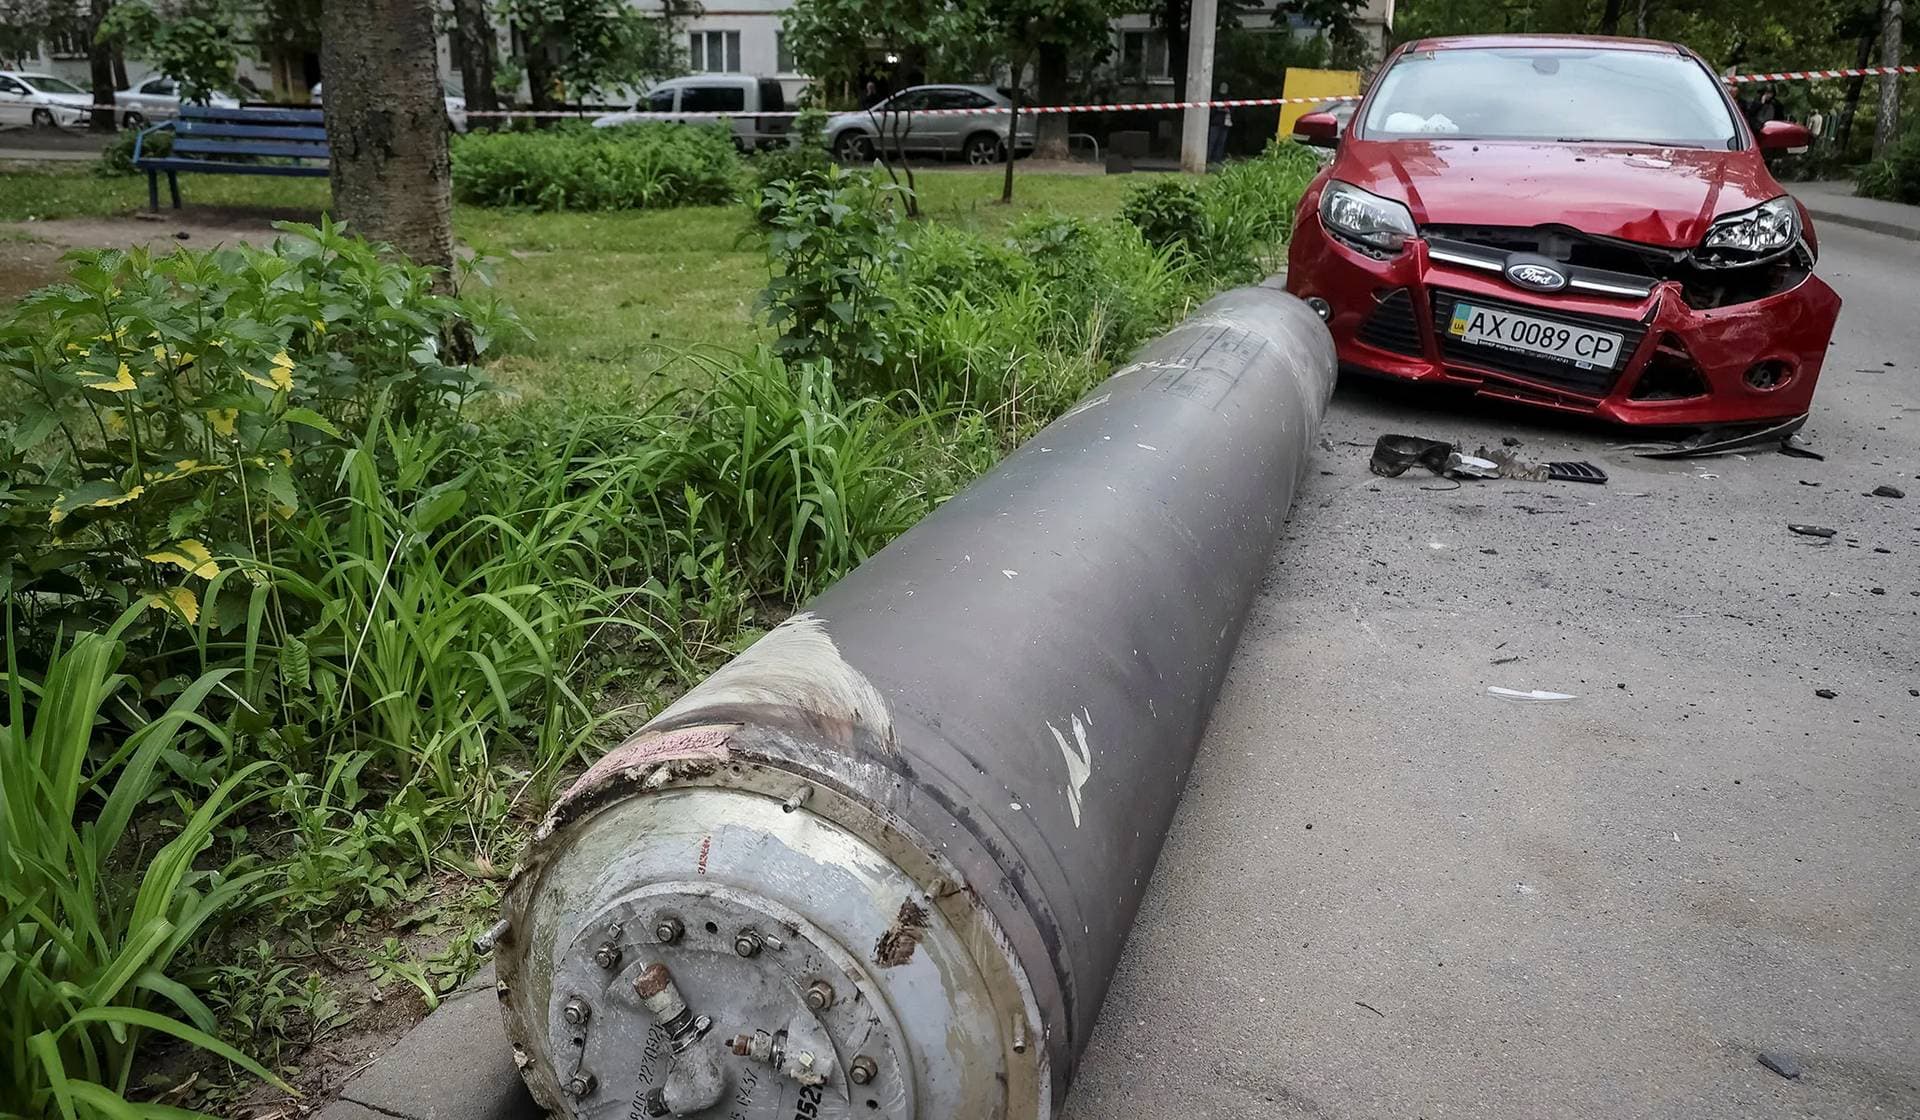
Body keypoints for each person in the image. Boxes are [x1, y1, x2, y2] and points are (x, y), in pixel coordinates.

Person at [1208, 82, 1233, 164]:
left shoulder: (1229, 98)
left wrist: (1226, 110)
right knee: (1212, 141)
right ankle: (1209, 158)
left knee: (1221, 142)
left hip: (1225, 123)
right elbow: (1212, 110)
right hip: (1216, 123)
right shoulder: (1215, 98)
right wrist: (1220, 110)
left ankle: (1217, 159)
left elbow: (1232, 109)